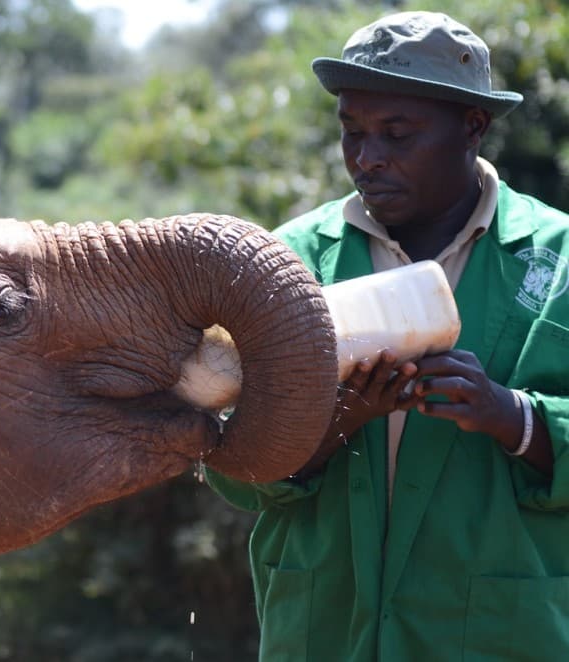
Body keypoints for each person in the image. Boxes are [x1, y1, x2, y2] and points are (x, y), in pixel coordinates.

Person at [206, 10, 569, 661]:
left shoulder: (559, 259)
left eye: (397, 134)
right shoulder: (291, 263)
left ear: (473, 126)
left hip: (502, 635)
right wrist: (341, 417)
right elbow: (231, 467)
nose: (367, 159)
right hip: (323, 636)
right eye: (352, 132)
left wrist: (510, 416)